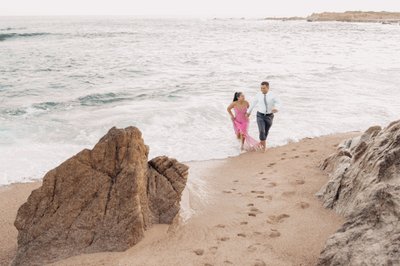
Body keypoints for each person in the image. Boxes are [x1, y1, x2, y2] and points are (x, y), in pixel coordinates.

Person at [246, 81, 281, 151]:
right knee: (262, 131)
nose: (262, 90)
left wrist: (276, 108)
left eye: (264, 88)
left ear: (268, 88)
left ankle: (261, 143)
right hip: (260, 115)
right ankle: (264, 147)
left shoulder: (273, 95)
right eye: (261, 88)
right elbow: (253, 103)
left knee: (266, 131)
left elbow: (279, 103)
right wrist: (248, 112)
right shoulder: (258, 95)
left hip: (269, 116)